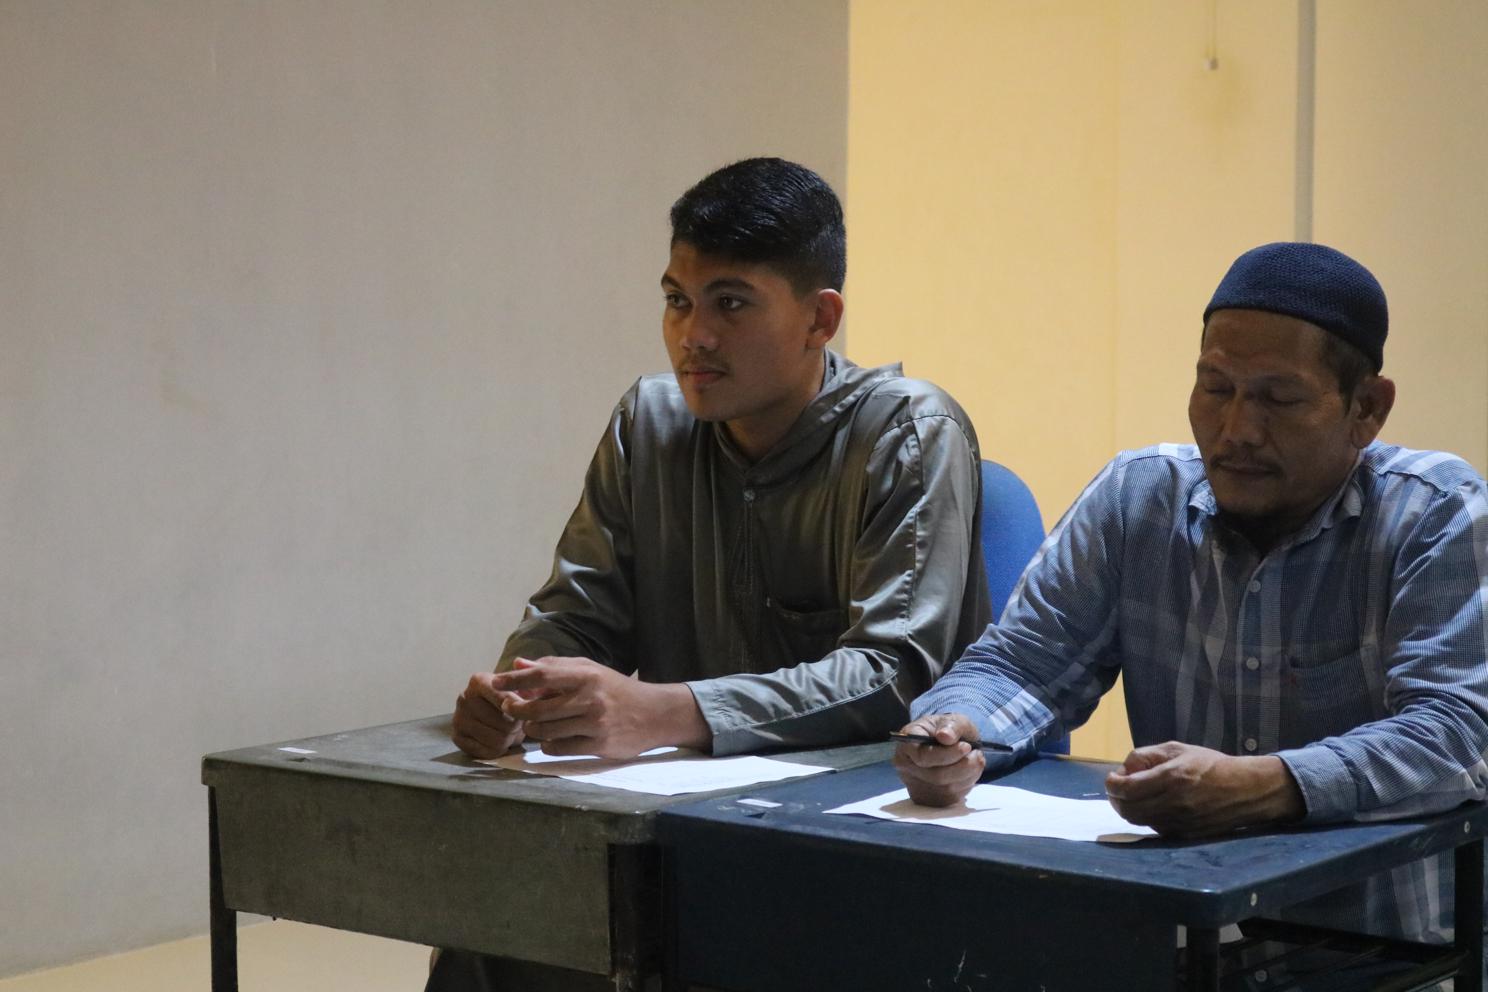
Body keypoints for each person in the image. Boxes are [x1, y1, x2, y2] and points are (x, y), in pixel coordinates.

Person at [430, 157, 989, 991]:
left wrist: (661, 710)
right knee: (495, 917)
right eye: (677, 300)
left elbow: (892, 674)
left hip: (856, 834)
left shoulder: (907, 433)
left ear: (819, 319)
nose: (694, 334)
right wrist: (517, 695)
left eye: (731, 303)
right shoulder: (649, 424)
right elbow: (575, 615)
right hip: (678, 821)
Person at [896, 242, 1488, 973]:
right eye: (1215, 387)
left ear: (1366, 408)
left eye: (1278, 398)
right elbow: (1022, 664)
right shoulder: (1138, 498)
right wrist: (954, 726)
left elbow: (1456, 736)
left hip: (1380, 957)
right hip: (1181, 946)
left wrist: (1263, 786)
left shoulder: (1433, 513)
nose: (1237, 429)